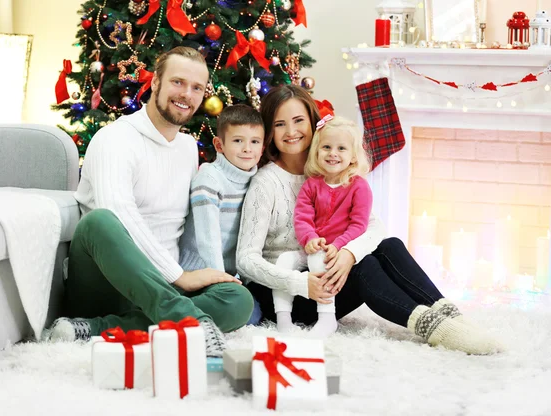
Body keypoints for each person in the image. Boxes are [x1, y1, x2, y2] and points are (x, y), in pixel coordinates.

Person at [236, 84, 503, 355]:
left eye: (298, 121)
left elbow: (373, 226)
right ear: (270, 131)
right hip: (289, 296)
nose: (291, 131)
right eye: (280, 124)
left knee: (390, 246)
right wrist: (301, 284)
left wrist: (348, 254)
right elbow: (245, 259)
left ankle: (452, 319)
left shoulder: (328, 167)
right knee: (367, 269)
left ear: (313, 123)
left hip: (324, 274)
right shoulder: (266, 183)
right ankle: (436, 328)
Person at [44, 47, 254, 357]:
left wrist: (191, 275)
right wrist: (178, 276)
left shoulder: (186, 148)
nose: (187, 94)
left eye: (197, 87)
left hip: (163, 287)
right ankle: (190, 322)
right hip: (109, 283)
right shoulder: (114, 139)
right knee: (99, 221)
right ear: (155, 82)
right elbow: (120, 213)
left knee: (239, 300)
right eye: (178, 82)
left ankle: (100, 329)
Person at [273, 115, 373, 338]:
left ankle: (327, 318)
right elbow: (302, 218)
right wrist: (309, 238)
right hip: (311, 246)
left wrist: (337, 245)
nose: (333, 153)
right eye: (326, 147)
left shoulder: (359, 187)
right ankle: (283, 320)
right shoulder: (312, 185)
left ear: (353, 156)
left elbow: (359, 225)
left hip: (336, 251)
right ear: (317, 151)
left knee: (320, 258)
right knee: (283, 261)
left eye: (341, 148)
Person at [179, 104, 264, 325]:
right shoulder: (209, 178)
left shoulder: (257, 181)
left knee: (256, 314)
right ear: (219, 144)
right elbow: (209, 238)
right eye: (238, 141)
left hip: (230, 274)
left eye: (254, 142)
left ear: (263, 147)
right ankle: (172, 310)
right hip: (197, 272)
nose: (247, 149)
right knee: (246, 314)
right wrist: (220, 282)